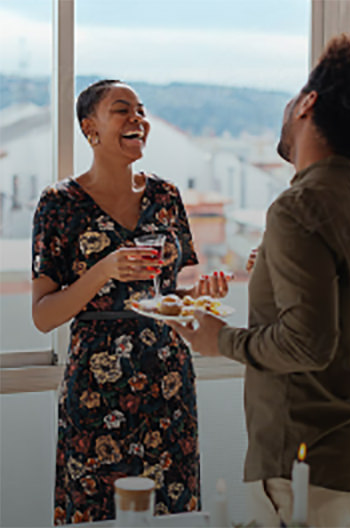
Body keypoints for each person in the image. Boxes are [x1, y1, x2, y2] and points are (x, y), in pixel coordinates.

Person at [168, 35, 350, 528]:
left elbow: (309, 345)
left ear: (308, 103)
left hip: (303, 454)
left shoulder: (298, 208)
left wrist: (221, 341)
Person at [31, 79, 230, 525]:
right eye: (122, 110)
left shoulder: (166, 196)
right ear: (90, 128)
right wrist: (103, 270)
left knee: (172, 512)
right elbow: (43, 316)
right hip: (97, 388)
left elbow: (173, 294)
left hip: (168, 381)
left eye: (141, 110)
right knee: (94, 511)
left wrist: (201, 297)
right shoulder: (59, 204)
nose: (137, 119)